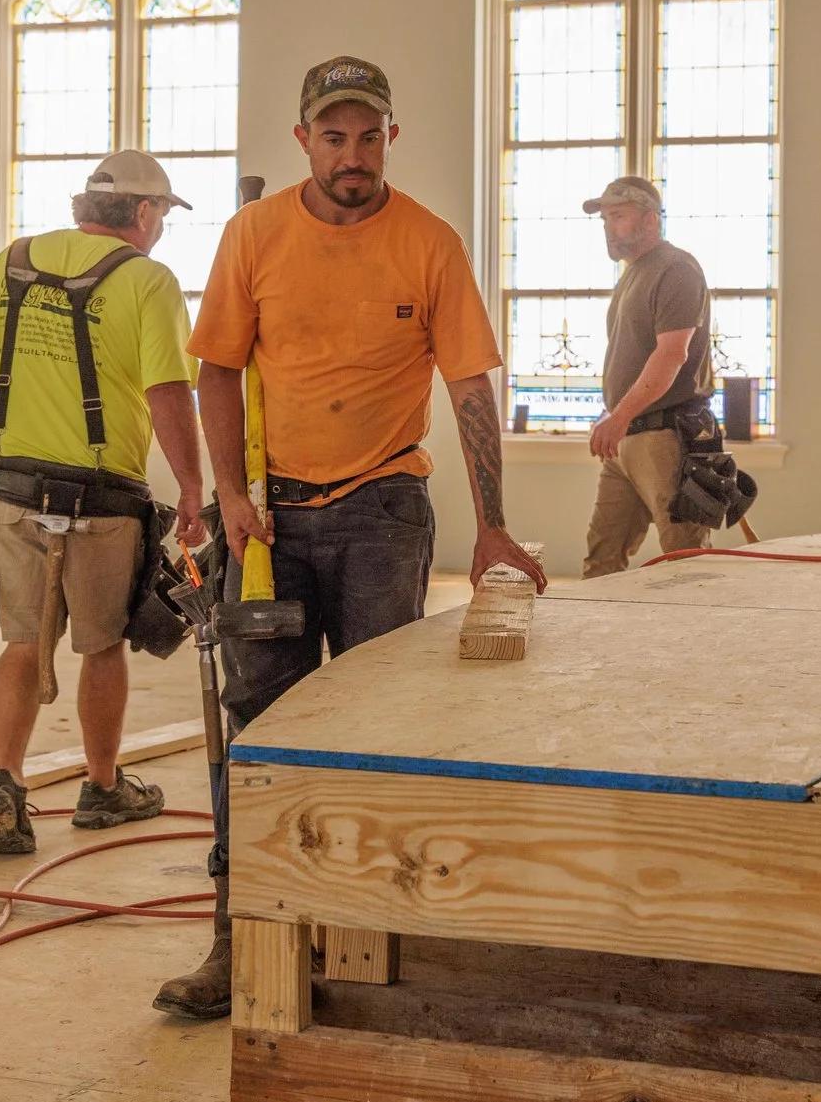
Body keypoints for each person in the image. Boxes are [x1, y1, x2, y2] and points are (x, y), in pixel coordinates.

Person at [151, 56, 545, 1018]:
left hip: (383, 509)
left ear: (390, 139)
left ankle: (367, 932)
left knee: (376, 726)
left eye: (369, 137)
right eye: (334, 137)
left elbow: (467, 387)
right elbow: (217, 371)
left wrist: (492, 521)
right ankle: (239, 942)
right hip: (271, 523)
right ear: (304, 142)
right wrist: (228, 496)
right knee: (262, 730)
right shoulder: (255, 234)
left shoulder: (429, 243)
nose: (353, 155)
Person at [0, 150, 208, 854]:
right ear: (146, 214)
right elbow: (169, 391)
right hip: (102, 498)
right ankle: (101, 785)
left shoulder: (14, 260)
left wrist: (3, 429)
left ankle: (3, 778)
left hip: (11, 489)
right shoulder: (149, 280)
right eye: (162, 217)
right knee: (102, 644)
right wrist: (192, 485)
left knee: (23, 639)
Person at [580, 175, 717, 576]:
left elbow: (671, 355)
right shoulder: (634, 273)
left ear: (651, 221)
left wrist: (618, 416)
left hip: (666, 437)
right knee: (601, 560)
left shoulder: (676, 270)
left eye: (617, 216)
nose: (608, 226)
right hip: (626, 438)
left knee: (683, 562)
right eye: (604, 218)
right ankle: (599, 640)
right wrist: (617, 418)